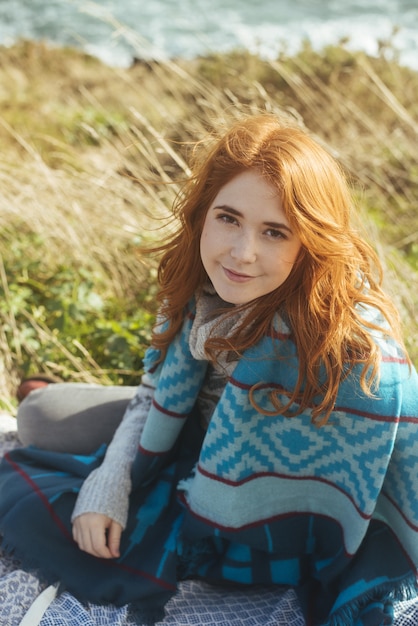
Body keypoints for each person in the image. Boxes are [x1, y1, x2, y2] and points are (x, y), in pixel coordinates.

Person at [0, 113, 417, 626]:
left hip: (201, 462)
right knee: (40, 415)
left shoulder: (346, 344)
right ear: (203, 213)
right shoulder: (199, 285)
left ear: (309, 240)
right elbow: (151, 388)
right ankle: (44, 392)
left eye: (274, 232)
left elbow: (378, 473)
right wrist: (110, 481)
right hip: (184, 430)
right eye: (228, 218)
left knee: (41, 423)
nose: (243, 253)